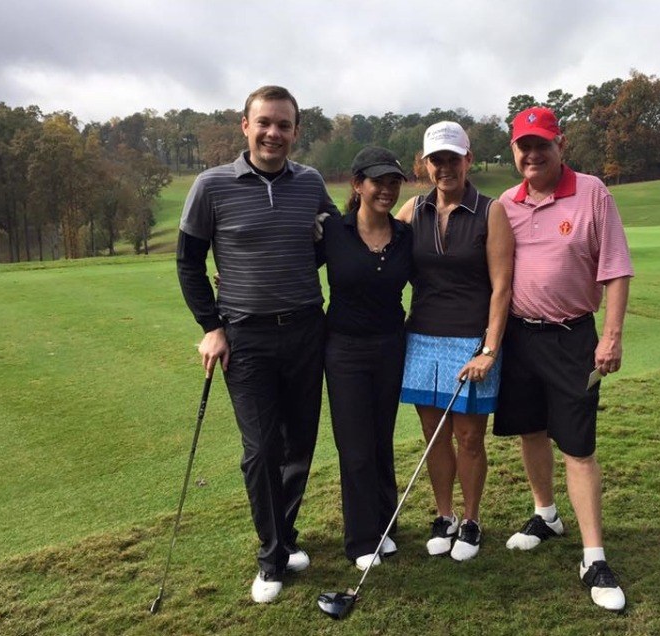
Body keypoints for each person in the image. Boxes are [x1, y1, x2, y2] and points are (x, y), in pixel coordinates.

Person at [176, 85, 340, 604]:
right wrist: (211, 324)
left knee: (299, 445)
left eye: (284, 125)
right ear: (244, 125)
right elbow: (188, 262)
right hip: (245, 336)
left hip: (306, 329)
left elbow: (330, 241)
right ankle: (271, 558)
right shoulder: (212, 185)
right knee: (261, 449)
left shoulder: (311, 183)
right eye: (264, 122)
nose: (274, 133)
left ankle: (284, 536)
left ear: (296, 131)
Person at [493, 107, 634, 611]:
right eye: (523, 146)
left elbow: (615, 269)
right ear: (513, 150)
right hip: (520, 338)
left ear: (561, 144)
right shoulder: (505, 204)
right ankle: (545, 514)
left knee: (577, 446)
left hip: (574, 338)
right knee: (531, 430)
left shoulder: (592, 191)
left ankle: (593, 555)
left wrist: (611, 336)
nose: (532, 154)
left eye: (541, 145)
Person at [395, 121, 514, 562]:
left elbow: (502, 287)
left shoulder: (490, 211)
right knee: (433, 434)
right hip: (422, 336)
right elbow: (377, 253)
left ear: (468, 159)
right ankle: (444, 516)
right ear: (424, 164)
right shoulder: (414, 211)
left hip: (470, 339)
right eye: (436, 159)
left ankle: (471, 518)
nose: (444, 167)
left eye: (452, 158)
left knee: (468, 436)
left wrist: (489, 349)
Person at [320, 146, 412, 571]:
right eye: (378, 181)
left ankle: (384, 525)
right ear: (358, 185)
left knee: (381, 438)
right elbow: (291, 266)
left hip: (391, 346)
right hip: (344, 350)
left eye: (394, 182)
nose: (387, 190)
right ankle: (360, 539)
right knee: (355, 445)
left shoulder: (405, 235)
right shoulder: (332, 233)